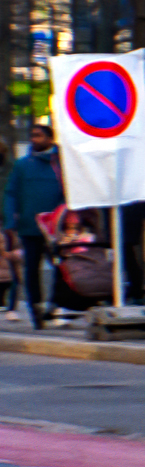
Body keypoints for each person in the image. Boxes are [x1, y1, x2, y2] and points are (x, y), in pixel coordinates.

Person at [4, 122, 66, 328]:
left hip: (57, 227)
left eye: (38, 135)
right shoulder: (23, 165)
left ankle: (55, 304)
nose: (33, 139)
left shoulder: (62, 164)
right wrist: (11, 222)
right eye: (32, 135)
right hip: (30, 226)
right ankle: (35, 308)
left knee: (62, 266)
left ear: (50, 139)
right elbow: (11, 193)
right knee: (31, 269)